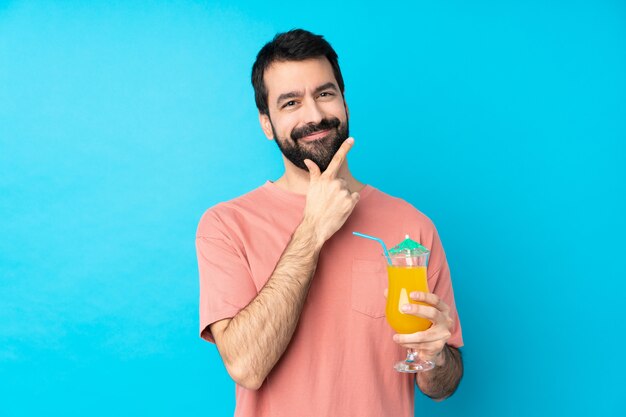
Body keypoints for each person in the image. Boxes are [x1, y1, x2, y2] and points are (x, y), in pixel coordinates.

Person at [196, 29, 464, 417]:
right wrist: (312, 229)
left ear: (345, 103)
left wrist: (437, 356)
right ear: (266, 124)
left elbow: (443, 385)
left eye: (325, 94)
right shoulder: (225, 225)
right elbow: (246, 367)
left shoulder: (412, 226)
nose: (315, 115)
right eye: (290, 102)